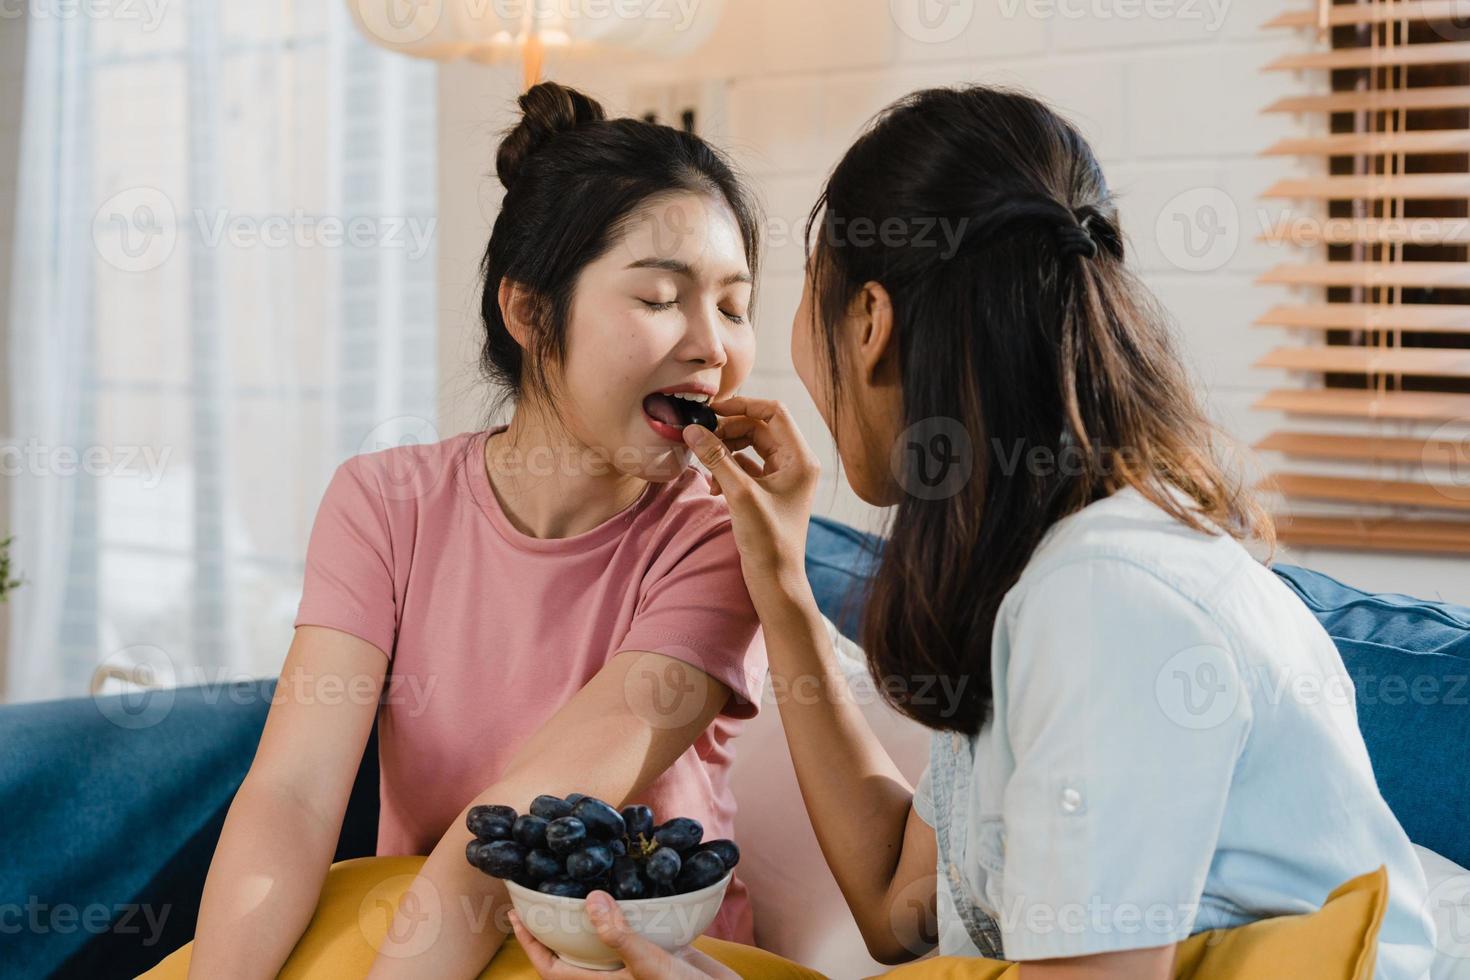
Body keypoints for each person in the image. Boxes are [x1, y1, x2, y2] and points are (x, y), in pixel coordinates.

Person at [517, 84, 1436, 979]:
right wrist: (781, 582)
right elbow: (894, 903)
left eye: (762, 302)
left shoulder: (1107, 604)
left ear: (869, 320)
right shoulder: (1042, 572)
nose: (721, 349)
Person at [181, 81, 772, 978]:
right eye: (660, 298)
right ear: (530, 313)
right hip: (422, 938)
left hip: (631, 964)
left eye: (734, 306)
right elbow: (293, 796)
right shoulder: (385, 503)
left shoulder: (719, 541)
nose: (712, 345)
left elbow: (515, 825)